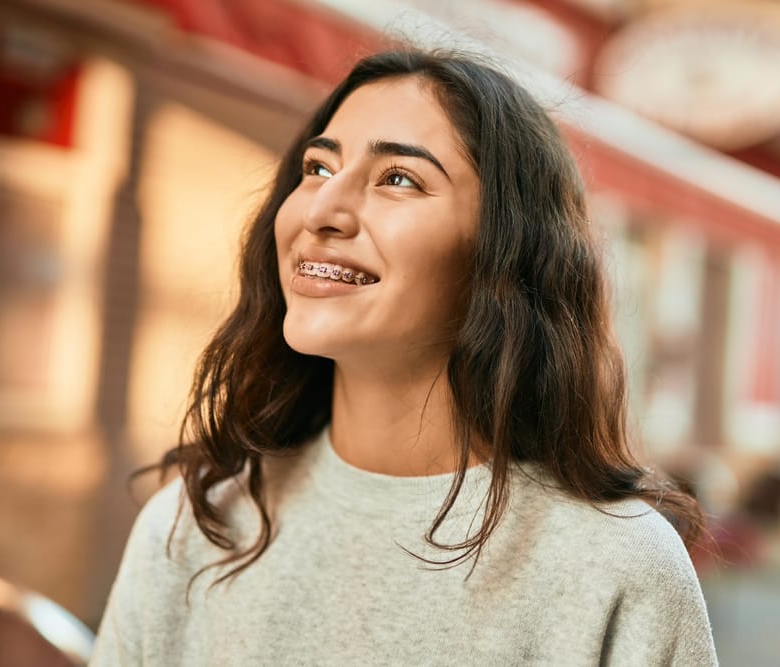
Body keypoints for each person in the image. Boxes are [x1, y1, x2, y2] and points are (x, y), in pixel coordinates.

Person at [91, 49, 718, 666]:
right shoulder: (194, 526)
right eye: (317, 168)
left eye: (398, 179)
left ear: (503, 252)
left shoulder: (616, 567)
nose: (323, 210)